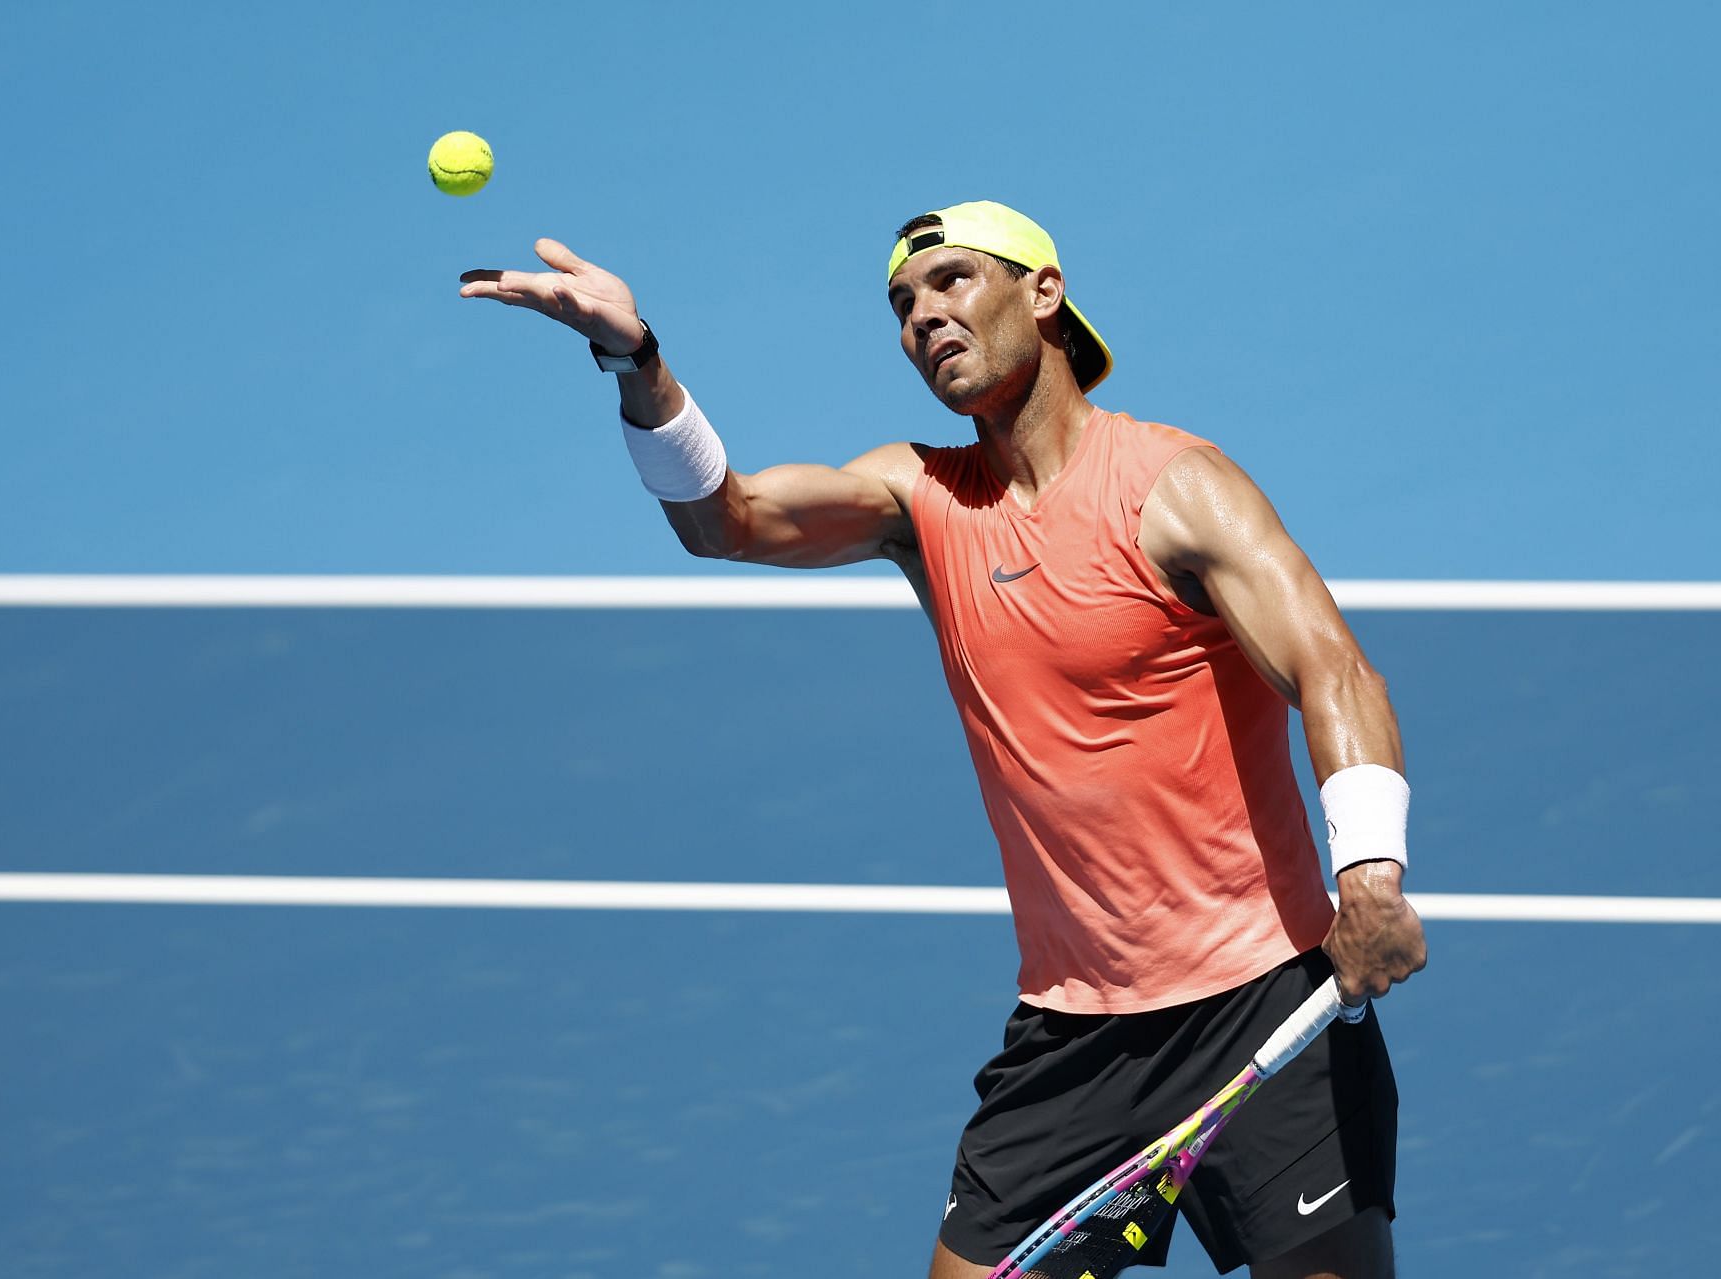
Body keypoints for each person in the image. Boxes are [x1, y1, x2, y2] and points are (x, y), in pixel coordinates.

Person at [460, 201, 1427, 1279]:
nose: (924, 314)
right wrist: (635, 359)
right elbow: (721, 520)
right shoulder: (919, 498)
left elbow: (1331, 667)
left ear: (1045, 294)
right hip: (1077, 1034)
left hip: (1263, 999)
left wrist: (1371, 876)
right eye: (903, 303)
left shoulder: (1175, 488)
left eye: (956, 281)